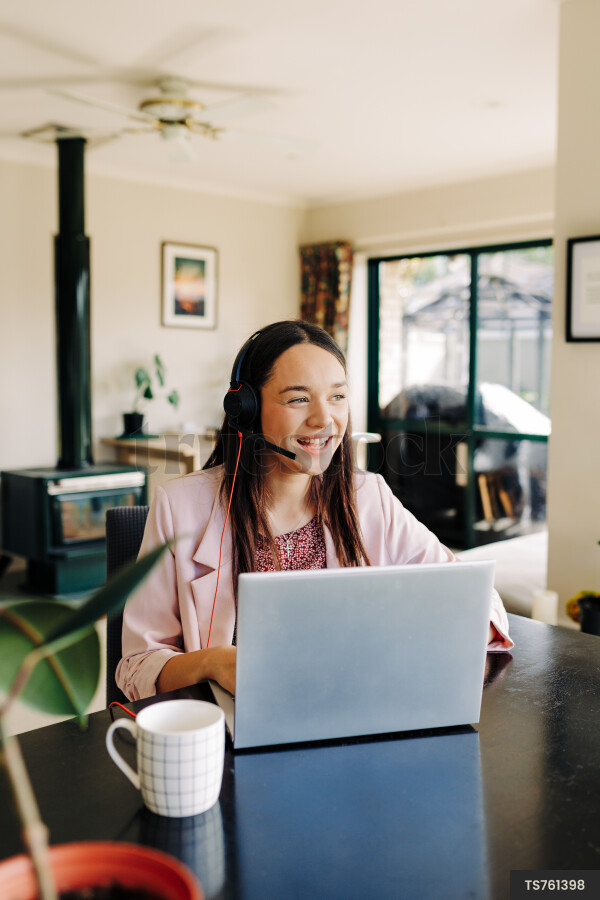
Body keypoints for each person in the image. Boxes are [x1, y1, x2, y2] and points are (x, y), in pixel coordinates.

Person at [116, 320, 513, 702]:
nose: (325, 419)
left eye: (337, 396)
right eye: (299, 399)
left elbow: (475, 598)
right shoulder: (180, 507)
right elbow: (137, 667)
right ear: (248, 410)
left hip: (351, 708)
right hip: (232, 728)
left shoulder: (368, 496)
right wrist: (212, 663)